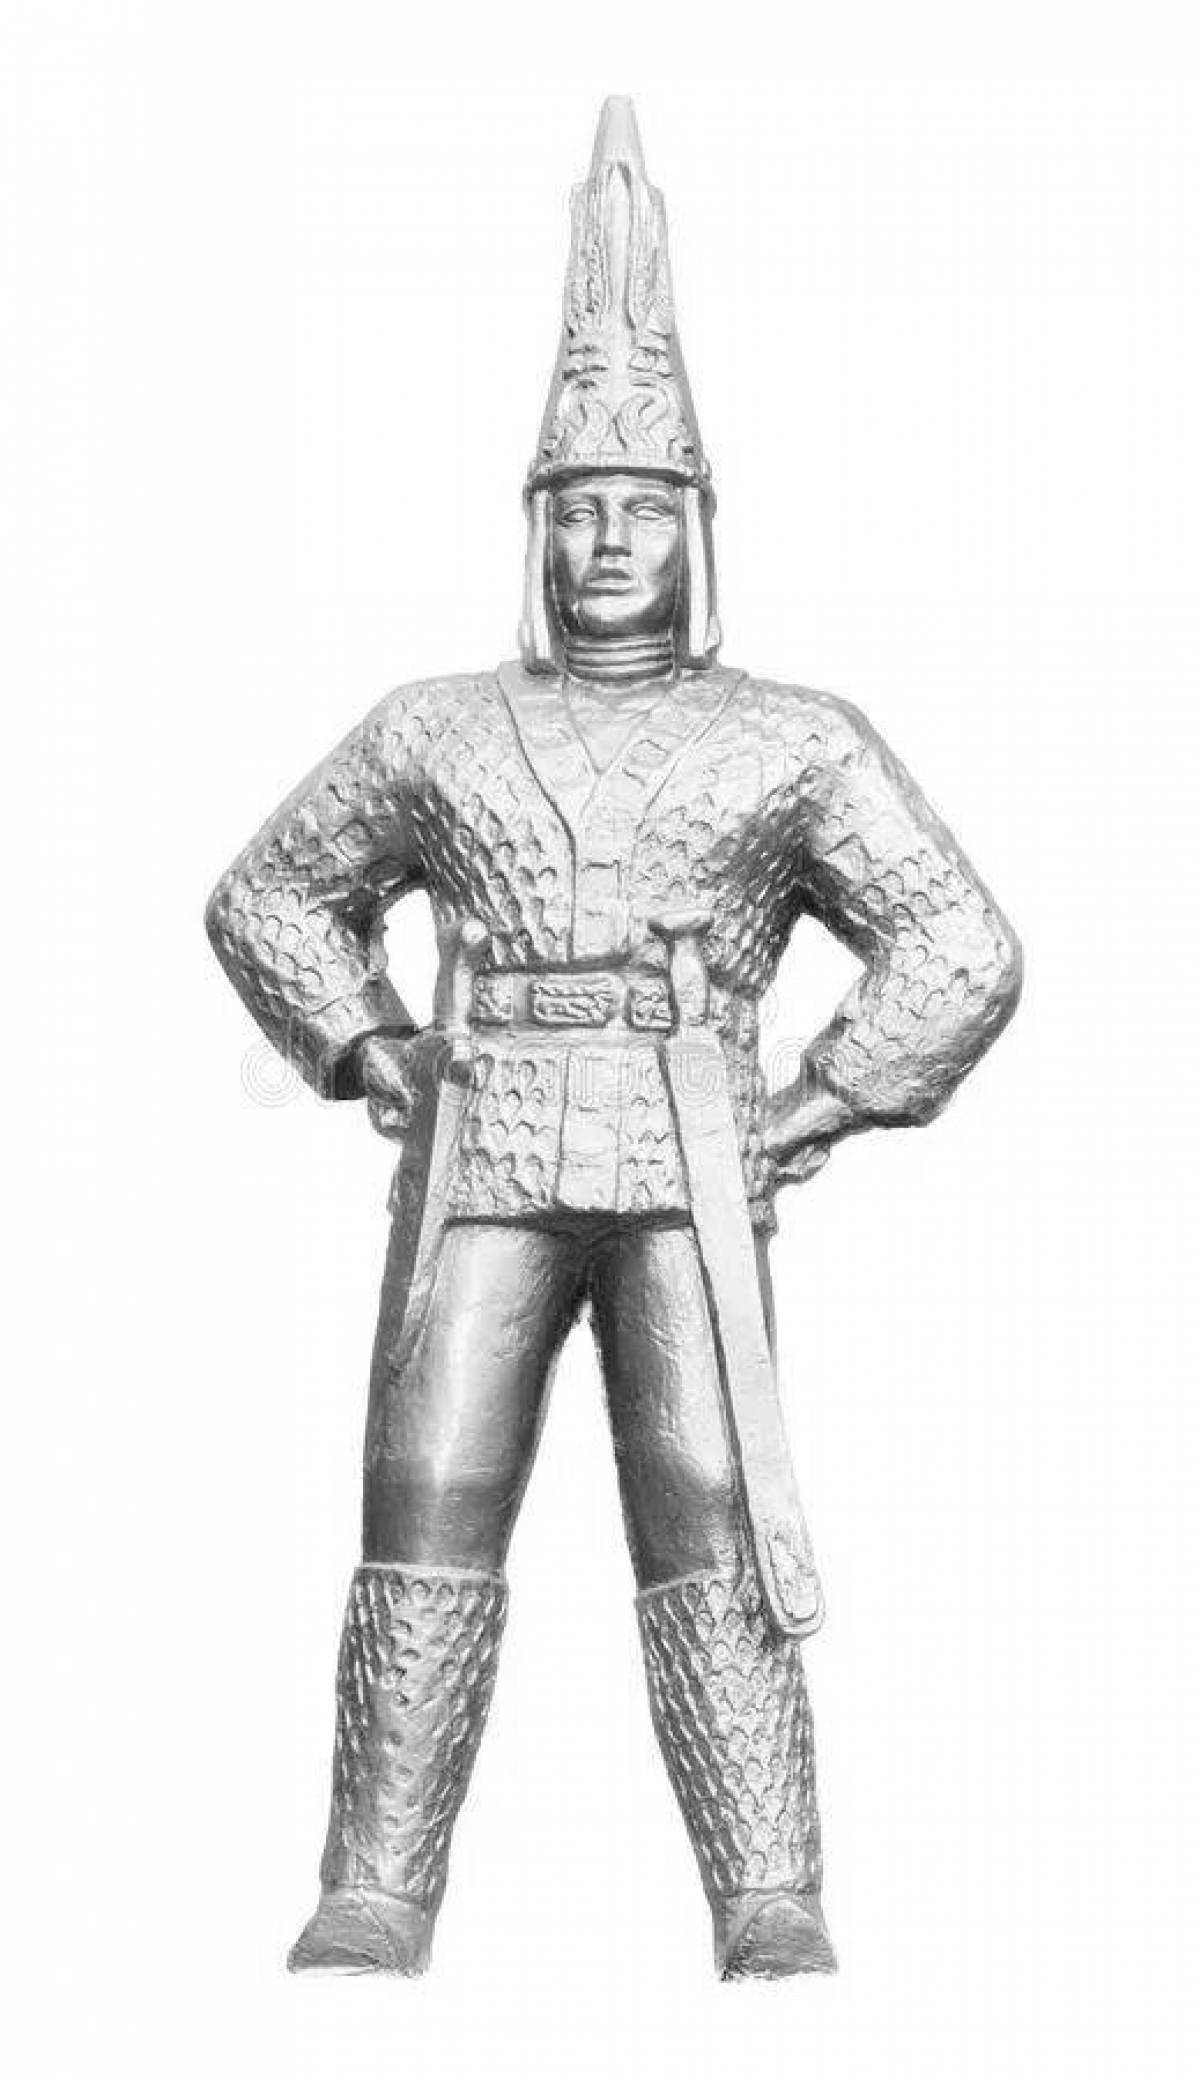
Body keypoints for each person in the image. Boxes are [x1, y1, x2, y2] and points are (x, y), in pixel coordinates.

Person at [207, 98, 1021, 1979]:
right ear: (533, 530)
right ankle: (376, 1886)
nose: (605, 542)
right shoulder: (432, 726)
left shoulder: (792, 735)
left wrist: (822, 1099)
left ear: (698, 528)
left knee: (712, 1503)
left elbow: (960, 945)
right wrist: (369, 1050)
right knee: (426, 1495)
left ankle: (769, 1894)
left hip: (686, 1156)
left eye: (641, 510)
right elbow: (268, 897)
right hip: (482, 1146)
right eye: (575, 511)